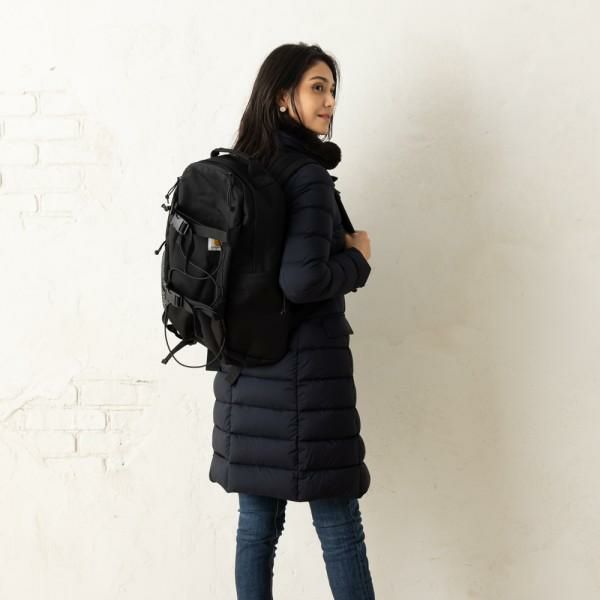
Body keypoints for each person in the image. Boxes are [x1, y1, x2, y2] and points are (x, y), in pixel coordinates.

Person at [208, 42, 375, 600]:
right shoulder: (306, 177)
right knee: (340, 527)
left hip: (245, 374)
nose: (330, 102)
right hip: (306, 381)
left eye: (332, 90)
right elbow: (301, 281)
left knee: (257, 527)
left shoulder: (243, 169)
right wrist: (358, 258)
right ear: (283, 97)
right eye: (317, 88)